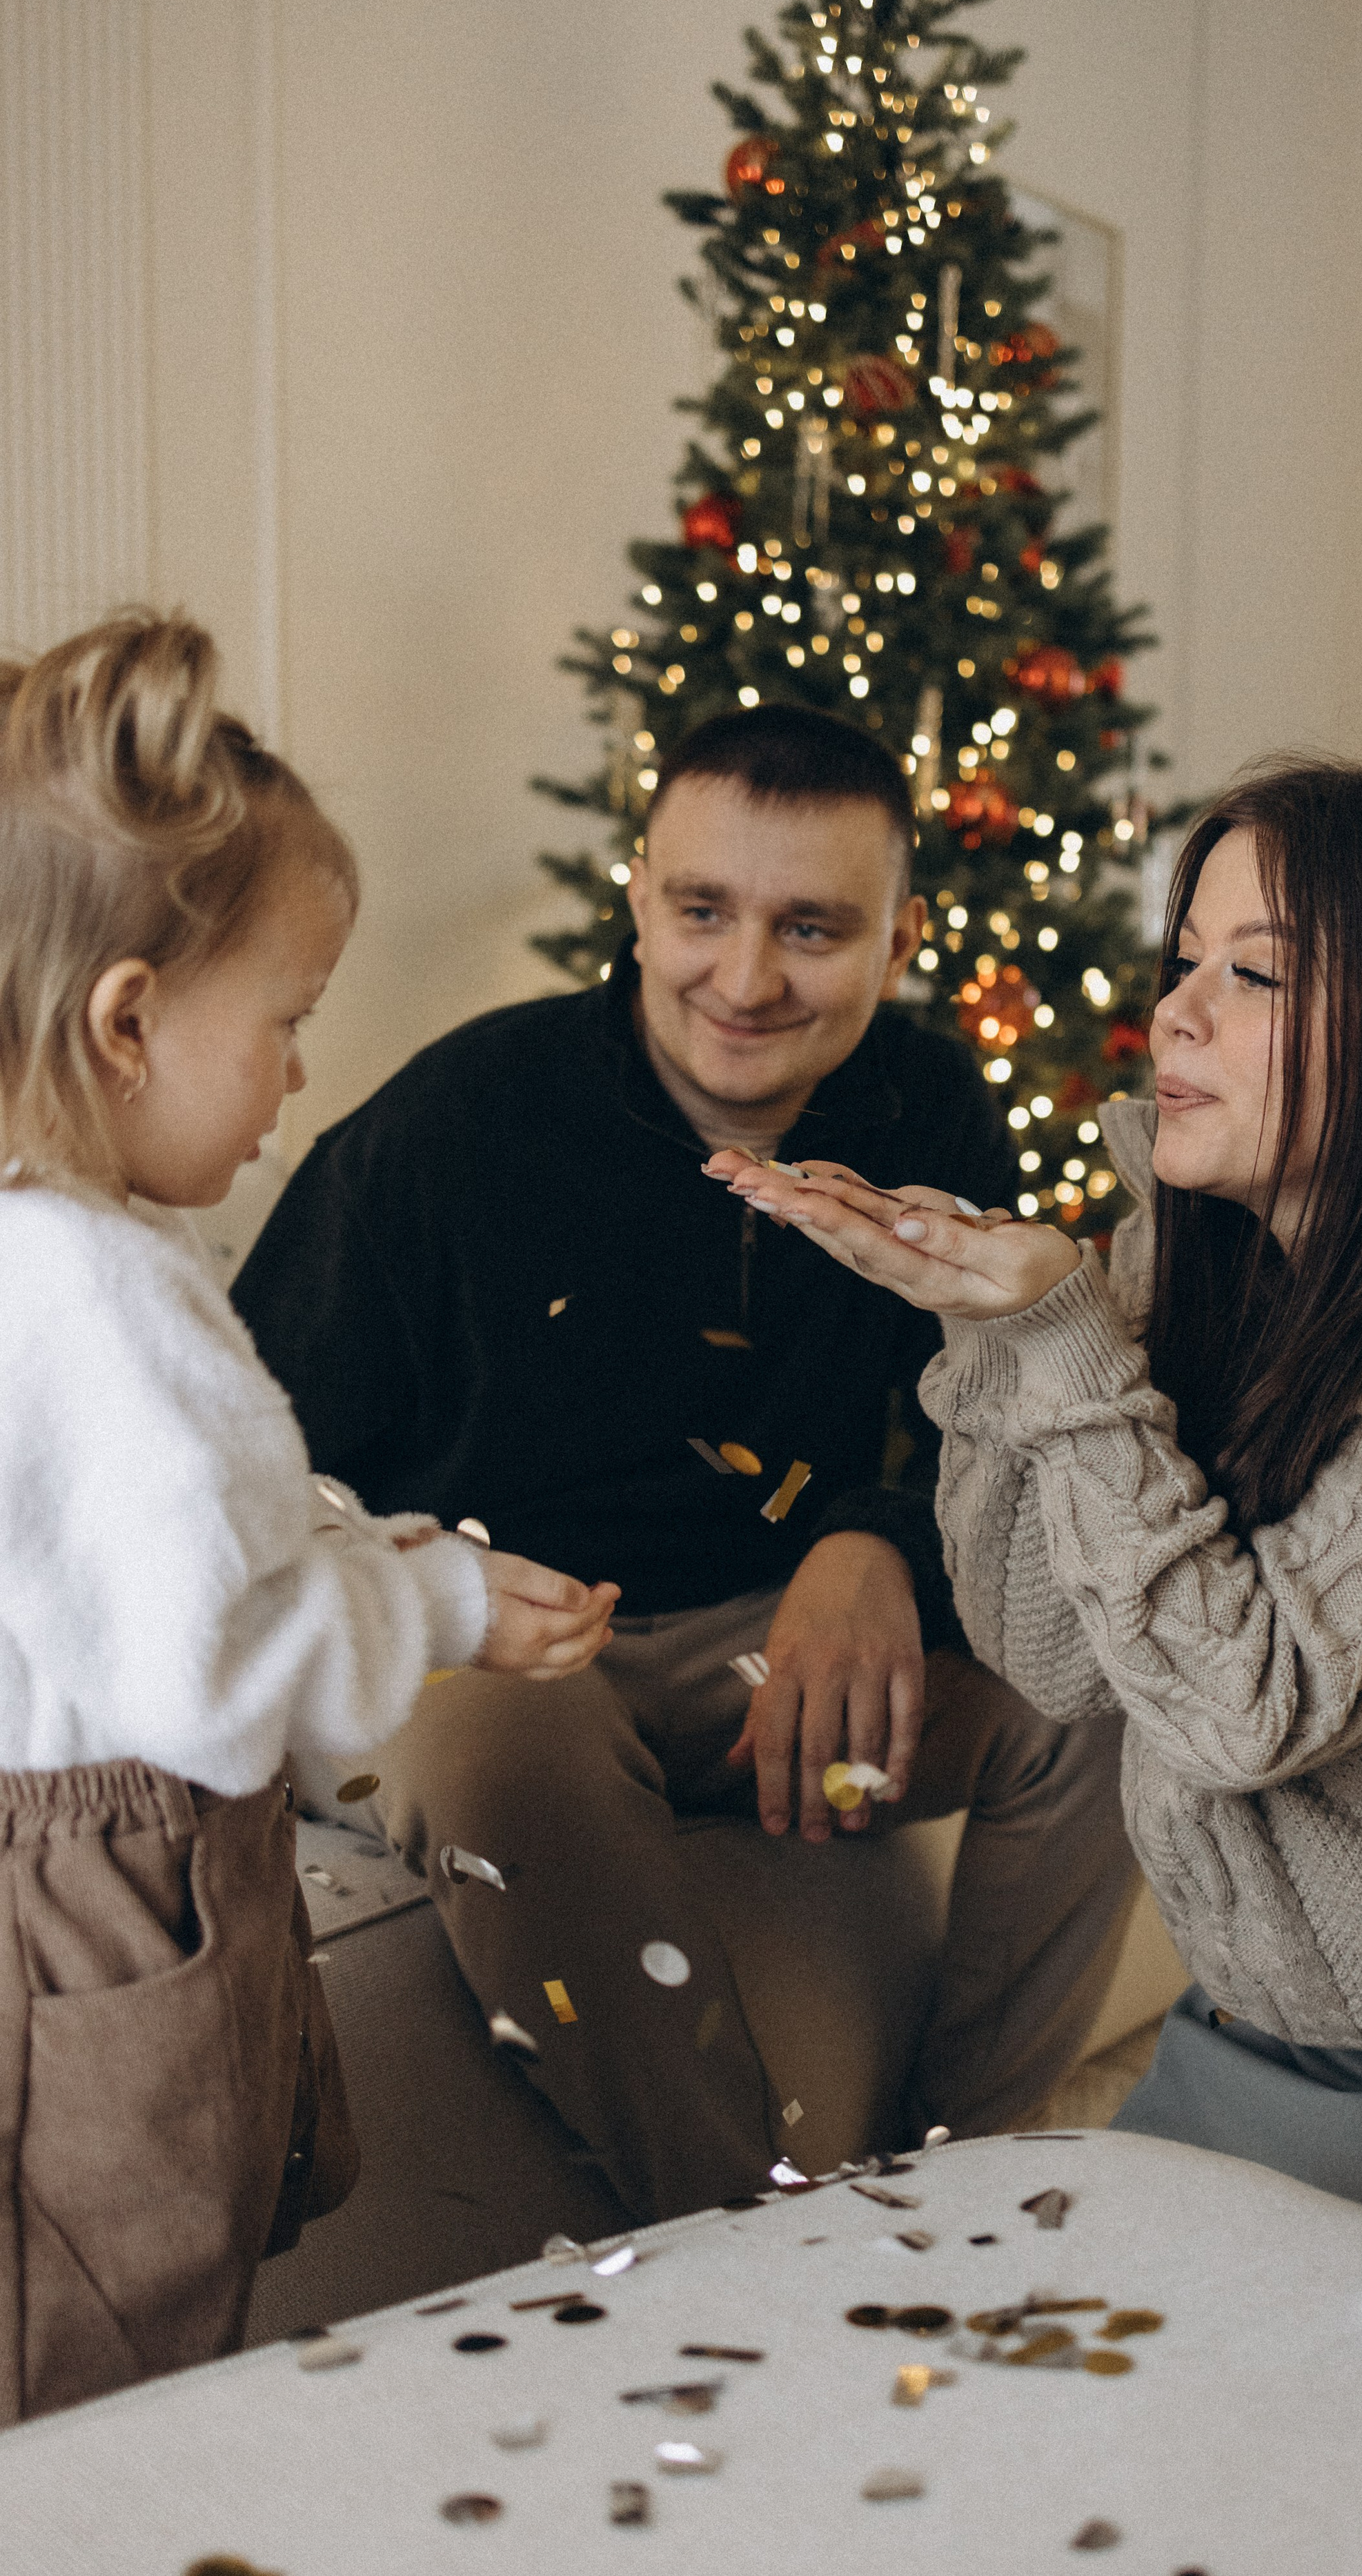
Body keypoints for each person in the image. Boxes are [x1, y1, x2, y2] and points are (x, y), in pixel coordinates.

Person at [713, 757, 1362, 2344]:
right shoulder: (1214, 1241)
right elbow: (1052, 1652)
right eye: (1181, 961)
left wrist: (1060, 1343)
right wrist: (990, 1335)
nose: (1176, 1015)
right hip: (1275, 2032)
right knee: (1031, 2400)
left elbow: (1234, 1703)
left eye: (1254, 971)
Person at [232, 701, 1136, 2228]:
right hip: (479, 1656)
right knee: (522, 1737)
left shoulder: (927, 1110)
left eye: (811, 927)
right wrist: (436, 1589)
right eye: (701, 909)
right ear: (638, 896)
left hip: (751, 1687)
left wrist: (873, 1546)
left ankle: (967, 2183)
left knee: (1103, 1673)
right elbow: (251, 1473)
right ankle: (747, 2233)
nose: (744, 976)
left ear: (898, 937)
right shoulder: (454, 1128)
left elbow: (997, 1412)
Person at [0, 611, 612, 2424]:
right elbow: (217, 1656)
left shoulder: (49, 1244)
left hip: (68, 1850)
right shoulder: (100, 1290)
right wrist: (437, 1608)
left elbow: (171, 1538)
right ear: (129, 1020)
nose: (295, 1082)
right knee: (114, 2339)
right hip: (95, 1891)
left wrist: (364, 1540)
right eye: (282, 1024)